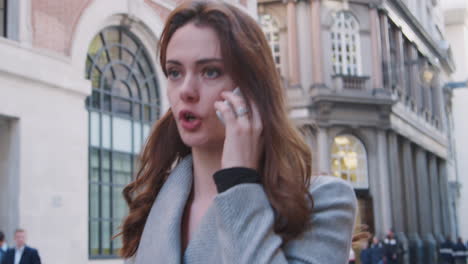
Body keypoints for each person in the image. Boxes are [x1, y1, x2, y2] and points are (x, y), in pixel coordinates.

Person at [116, 1, 358, 263]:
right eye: (174, 72)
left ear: (252, 90)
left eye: (210, 71)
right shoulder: (153, 201)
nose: (185, 90)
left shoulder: (324, 201)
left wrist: (239, 182)